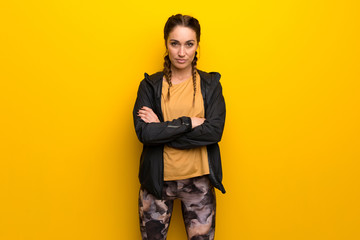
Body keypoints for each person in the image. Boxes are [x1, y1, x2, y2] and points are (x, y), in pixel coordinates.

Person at [133, 13, 226, 240]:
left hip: (199, 184)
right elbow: (145, 133)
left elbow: (214, 131)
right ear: (166, 44)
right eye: (175, 44)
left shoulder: (210, 85)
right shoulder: (149, 86)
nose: (182, 52)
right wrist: (188, 122)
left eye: (189, 44)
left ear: (197, 46)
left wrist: (162, 129)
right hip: (156, 183)